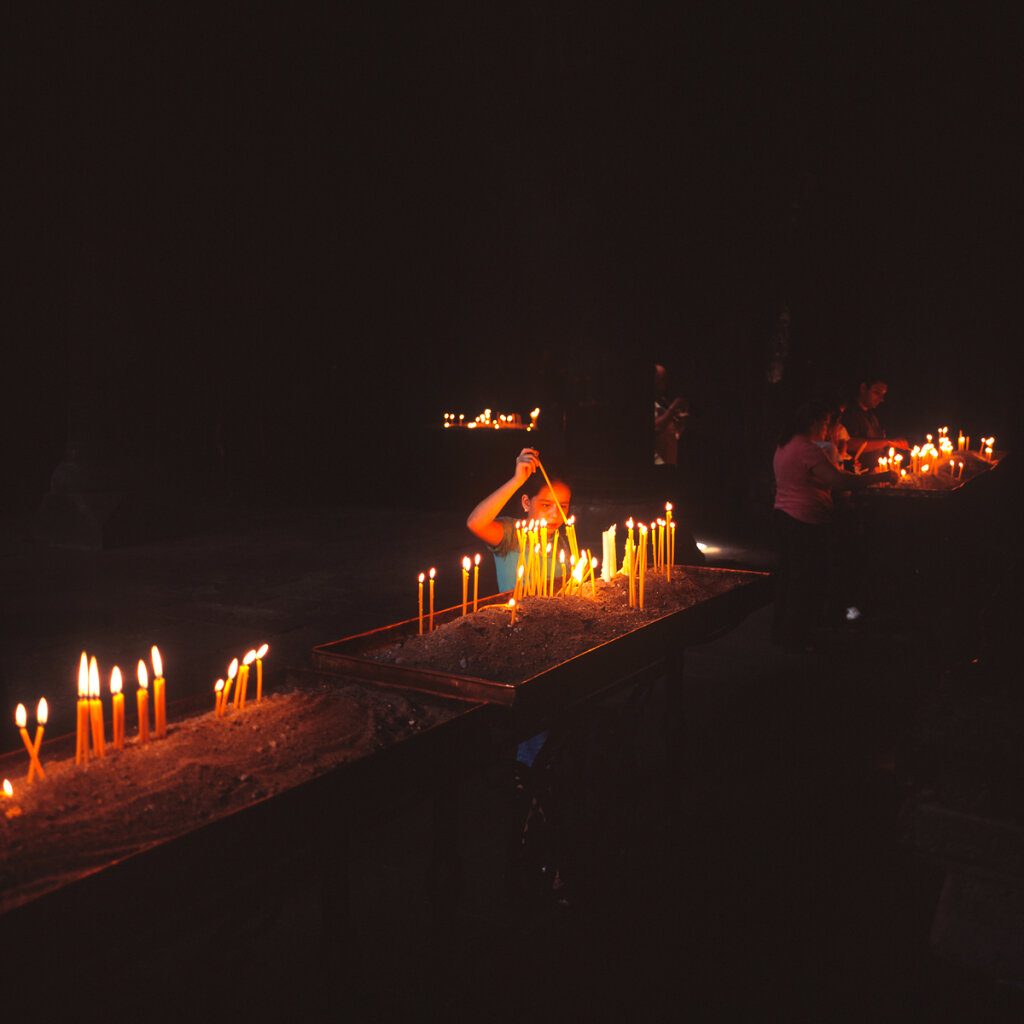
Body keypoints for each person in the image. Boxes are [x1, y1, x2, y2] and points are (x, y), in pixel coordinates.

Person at [773, 399, 894, 652]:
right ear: (814, 422)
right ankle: (797, 638)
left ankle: (784, 634)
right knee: (804, 581)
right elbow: (838, 481)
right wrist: (882, 476)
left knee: (790, 580)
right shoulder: (806, 448)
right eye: (827, 422)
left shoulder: (785, 444)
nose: (828, 428)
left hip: (785, 516)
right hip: (803, 521)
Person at [466, 447, 571, 593]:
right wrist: (517, 480)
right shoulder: (512, 534)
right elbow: (475, 523)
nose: (555, 514)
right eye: (546, 505)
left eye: (563, 506)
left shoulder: (562, 540)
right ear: (526, 503)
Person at [841, 375, 909, 462]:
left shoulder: (871, 415)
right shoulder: (849, 413)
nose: (881, 399)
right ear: (863, 388)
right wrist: (888, 441)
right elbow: (851, 444)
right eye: (877, 393)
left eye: (883, 395)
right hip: (857, 473)